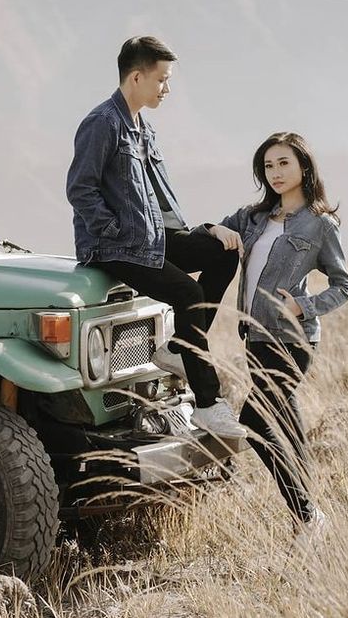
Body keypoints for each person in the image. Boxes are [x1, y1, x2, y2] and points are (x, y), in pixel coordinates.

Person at [66, 36, 245, 439]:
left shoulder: (141, 127)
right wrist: (114, 232)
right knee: (188, 295)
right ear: (136, 76)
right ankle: (208, 403)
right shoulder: (102, 124)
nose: (167, 88)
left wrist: (201, 232)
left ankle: (180, 349)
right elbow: (81, 189)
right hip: (113, 247)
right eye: (162, 79)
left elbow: (158, 203)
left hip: (152, 237)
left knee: (223, 252)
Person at [202, 132, 348, 534]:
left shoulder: (319, 224)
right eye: (268, 166)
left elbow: (344, 285)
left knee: (254, 419)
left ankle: (307, 517)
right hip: (253, 337)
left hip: (293, 338)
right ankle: (310, 515)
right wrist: (217, 231)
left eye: (284, 163)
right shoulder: (253, 217)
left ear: (303, 166)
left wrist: (302, 305)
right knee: (286, 422)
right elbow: (215, 227)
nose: (276, 173)